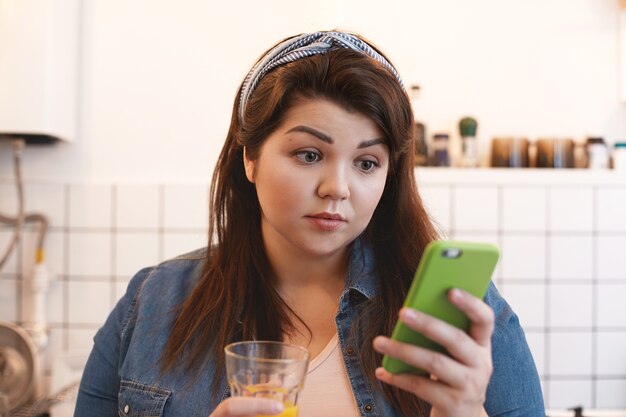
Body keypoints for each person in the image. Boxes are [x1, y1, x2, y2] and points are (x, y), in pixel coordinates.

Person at [74, 30, 545, 417]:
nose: (337, 187)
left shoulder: (459, 315)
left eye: (366, 163)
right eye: (309, 154)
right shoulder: (152, 304)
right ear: (250, 159)